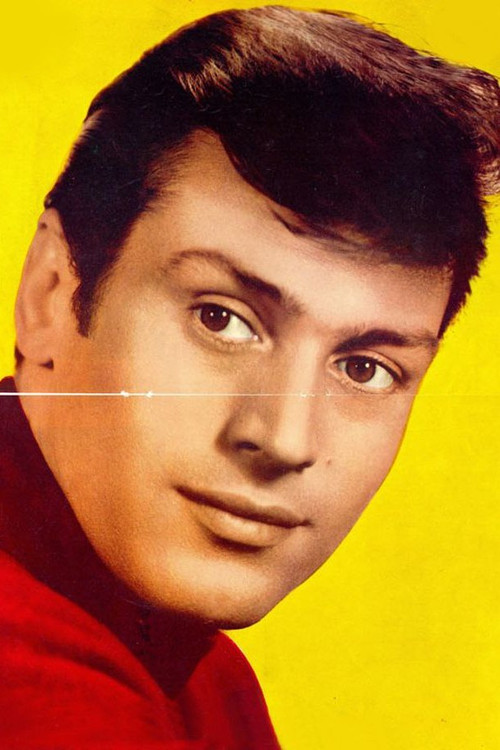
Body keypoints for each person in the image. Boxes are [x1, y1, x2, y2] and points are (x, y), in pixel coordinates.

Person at [0, 5, 498, 748]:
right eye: (221, 319)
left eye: (364, 368)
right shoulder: (37, 690)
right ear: (51, 293)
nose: (284, 439)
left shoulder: (198, 671)